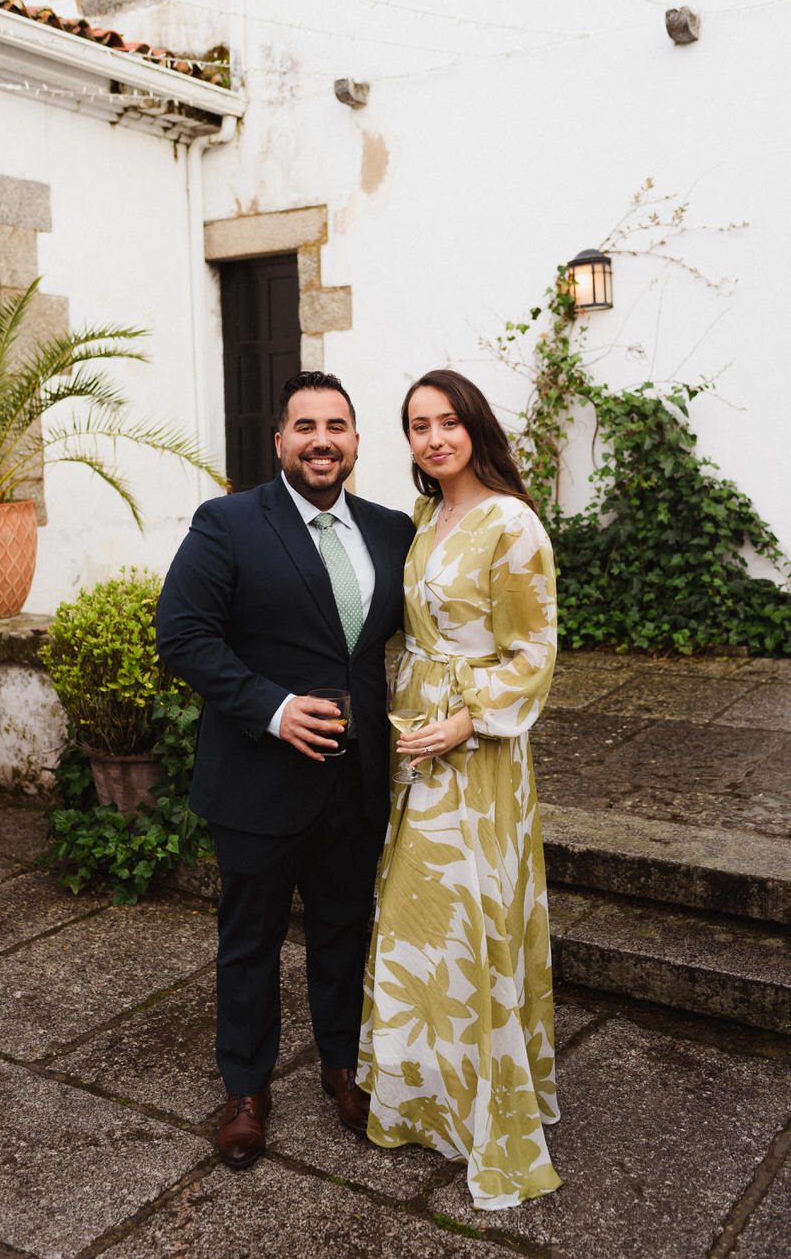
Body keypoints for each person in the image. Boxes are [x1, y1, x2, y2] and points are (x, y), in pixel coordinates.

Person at [156, 370, 415, 1170]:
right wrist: (272, 708)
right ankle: (246, 1091)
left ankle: (343, 1068)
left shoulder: (393, 531)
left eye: (336, 426)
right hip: (259, 780)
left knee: (345, 931)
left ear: (356, 441)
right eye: (305, 427)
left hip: (356, 780)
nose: (321, 441)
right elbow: (183, 634)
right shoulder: (229, 522)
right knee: (250, 942)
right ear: (279, 442)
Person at [357, 368, 562, 1210]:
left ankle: (487, 1105)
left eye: (448, 421)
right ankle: (426, 1098)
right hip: (415, 740)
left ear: (475, 426)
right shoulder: (423, 518)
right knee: (420, 918)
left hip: (475, 752)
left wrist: (466, 722)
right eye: (418, 426)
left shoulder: (512, 523)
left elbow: (534, 649)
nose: (434, 438)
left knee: (466, 915)